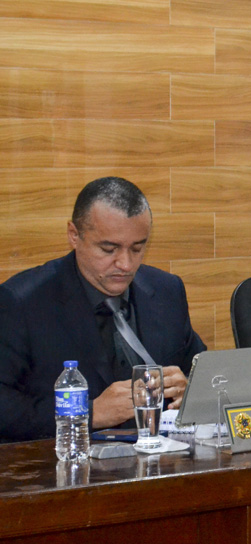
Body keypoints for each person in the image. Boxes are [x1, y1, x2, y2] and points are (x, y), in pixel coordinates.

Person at [0, 177, 206, 442]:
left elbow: (201, 372)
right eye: (109, 249)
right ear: (74, 235)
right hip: (64, 460)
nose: (126, 264)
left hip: (161, 457)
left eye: (137, 248)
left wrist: (190, 391)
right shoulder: (21, 302)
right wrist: (88, 413)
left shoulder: (167, 290)